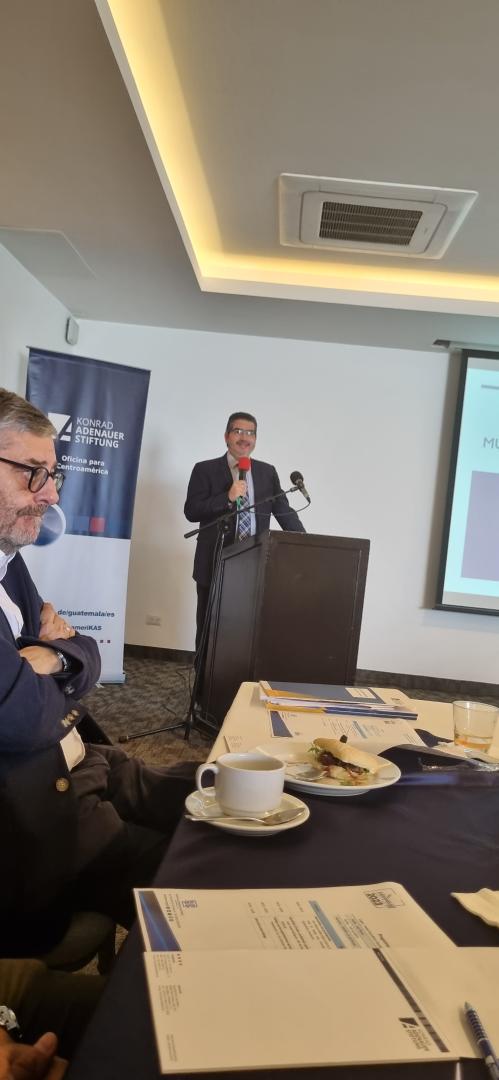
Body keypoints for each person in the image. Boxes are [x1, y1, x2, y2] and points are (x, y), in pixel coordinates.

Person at [0, 388, 195, 957]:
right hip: (43, 821)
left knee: (218, 794)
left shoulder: (9, 563)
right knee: (200, 873)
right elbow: (19, 718)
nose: (52, 494)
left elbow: (82, 651)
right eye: (33, 473)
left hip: (84, 761)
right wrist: (59, 655)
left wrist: (55, 656)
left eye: (52, 474)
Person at [184, 411, 305, 654]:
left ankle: (239, 677)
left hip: (254, 562)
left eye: (250, 433)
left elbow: (284, 512)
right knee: (209, 628)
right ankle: (202, 678)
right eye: (238, 431)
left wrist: (306, 542)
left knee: (247, 631)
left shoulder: (267, 472)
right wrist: (227, 498)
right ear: (226, 436)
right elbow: (192, 510)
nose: (244, 438)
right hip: (215, 560)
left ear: (255, 439)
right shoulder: (205, 469)